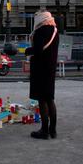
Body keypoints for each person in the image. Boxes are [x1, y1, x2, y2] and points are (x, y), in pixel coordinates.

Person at [25, 10, 59, 139]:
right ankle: (53, 130)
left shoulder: (40, 31)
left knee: (42, 100)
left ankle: (44, 131)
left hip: (40, 69)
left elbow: (38, 50)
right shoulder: (55, 31)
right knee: (50, 98)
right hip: (50, 68)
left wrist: (27, 51)